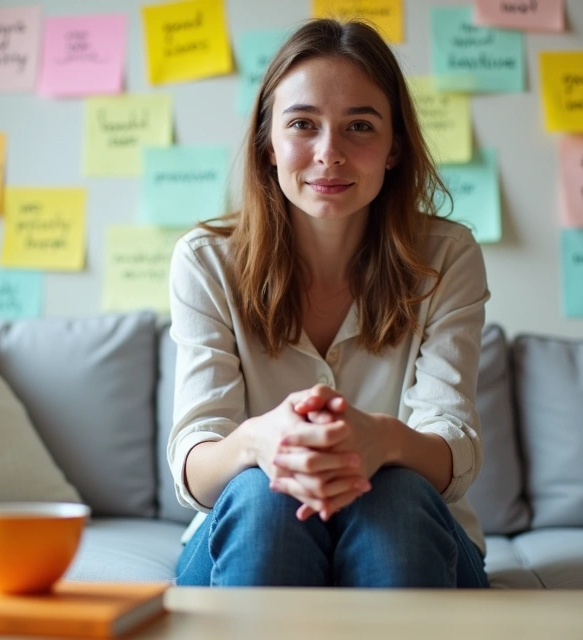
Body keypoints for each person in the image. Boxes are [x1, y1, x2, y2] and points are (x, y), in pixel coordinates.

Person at [167, 18, 491, 588]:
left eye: (359, 126)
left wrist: (382, 441)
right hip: (247, 529)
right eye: (302, 125)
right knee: (264, 492)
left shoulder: (448, 255)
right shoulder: (205, 261)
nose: (329, 153)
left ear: (394, 148)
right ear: (269, 143)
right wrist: (263, 442)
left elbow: (454, 450)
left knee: (396, 489)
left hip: (411, 529)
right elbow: (194, 464)